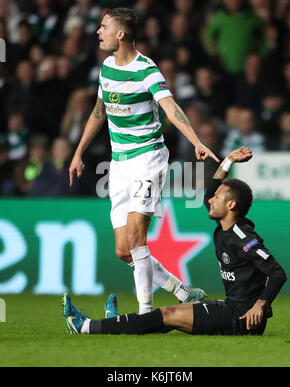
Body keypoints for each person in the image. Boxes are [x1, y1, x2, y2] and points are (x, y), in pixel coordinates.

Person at [69, 7, 219, 315]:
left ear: (120, 34)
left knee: (137, 239)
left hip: (148, 158)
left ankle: (146, 314)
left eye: (104, 27)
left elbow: (170, 106)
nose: (98, 32)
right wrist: (78, 152)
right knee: (124, 251)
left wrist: (196, 142)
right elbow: (99, 111)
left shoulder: (147, 70)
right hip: (119, 164)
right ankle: (182, 291)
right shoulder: (107, 67)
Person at [63, 147, 287, 336]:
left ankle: (84, 326)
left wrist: (260, 305)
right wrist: (228, 160)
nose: (210, 199)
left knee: (167, 315)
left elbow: (277, 273)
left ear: (230, 206)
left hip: (242, 319)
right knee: (166, 317)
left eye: (217, 197)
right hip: (232, 309)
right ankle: (117, 323)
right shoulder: (226, 227)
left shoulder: (242, 237)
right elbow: (209, 192)